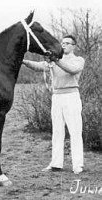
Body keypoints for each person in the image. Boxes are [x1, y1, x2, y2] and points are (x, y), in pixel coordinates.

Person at [22, 35, 85, 174]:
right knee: (57, 131)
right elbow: (39, 66)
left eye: (67, 43)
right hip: (57, 97)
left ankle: (78, 165)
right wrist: (23, 60)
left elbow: (72, 70)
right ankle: (56, 163)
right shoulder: (54, 60)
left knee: (75, 131)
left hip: (71, 96)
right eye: (62, 43)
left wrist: (56, 60)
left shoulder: (78, 60)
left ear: (74, 46)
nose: (64, 45)